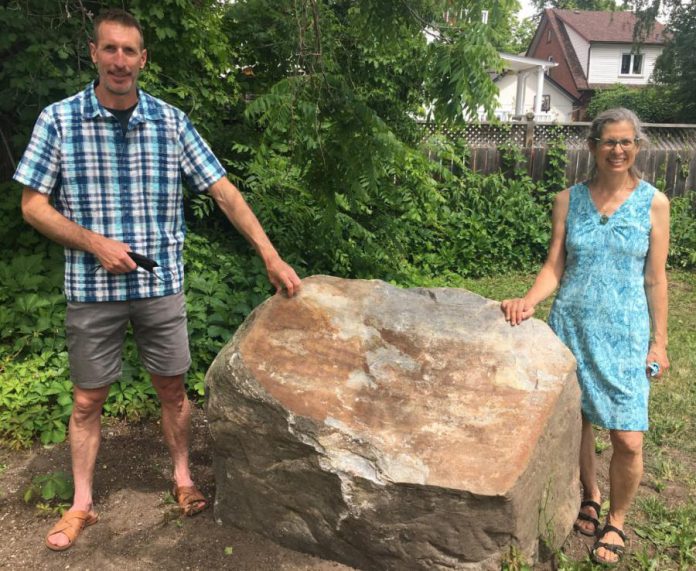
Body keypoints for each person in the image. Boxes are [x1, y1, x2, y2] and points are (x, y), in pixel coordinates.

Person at [13, 8, 302, 552]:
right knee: (85, 401)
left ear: (143, 59)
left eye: (130, 51)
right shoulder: (58, 120)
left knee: (172, 389)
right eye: (110, 49)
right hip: (91, 289)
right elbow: (33, 206)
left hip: (159, 285)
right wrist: (94, 242)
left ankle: (184, 479)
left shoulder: (170, 123)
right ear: (94, 54)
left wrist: (269, 254)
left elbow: (223, 191)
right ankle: (81, 504)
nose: (120, 60)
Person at [501, 108, 669, 566]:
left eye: (626, 142)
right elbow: (556, 264)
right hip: (570, 326)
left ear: (637, 147)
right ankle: (589, 495)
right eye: (609, 142)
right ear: (592, 147)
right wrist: (529, 300)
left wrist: (660, 342)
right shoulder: (567, 200)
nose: (618, 150)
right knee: (578, 422)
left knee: (628, 437)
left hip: (626, 334)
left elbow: (655, 280)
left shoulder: (655, 203)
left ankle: (617, 519)